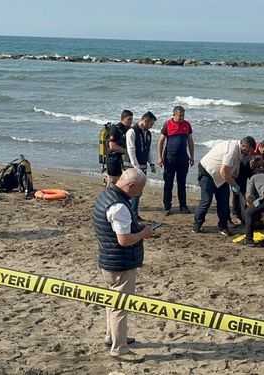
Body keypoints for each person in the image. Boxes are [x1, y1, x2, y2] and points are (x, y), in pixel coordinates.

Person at [93, 168, 154, 363]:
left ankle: (112, 337)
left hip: (107, 259)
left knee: (112, 301)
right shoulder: (119, 207)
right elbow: (124, 240)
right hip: (120, 262)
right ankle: (119, 348)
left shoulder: (106, 195)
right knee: (120, 306)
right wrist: (143, 234)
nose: (140, 194)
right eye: (140, 190)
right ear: (131, 186)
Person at [193, 137, 256, 235]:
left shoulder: (240, 151)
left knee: (223, 202)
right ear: (243, 146)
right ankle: (197, 225)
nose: (248, 154)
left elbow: (234, 167)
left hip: (221, 177)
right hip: (207, 172)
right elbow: (223, 171)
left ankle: (223, 227)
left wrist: (234, 180)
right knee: (206, 200)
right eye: (248, 151)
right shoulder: (231, 149)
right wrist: (234, 185)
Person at [157, 106, 194, 215]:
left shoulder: (187, 125)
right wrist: (159, 157)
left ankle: (183, 205)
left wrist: (192, 156)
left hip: (183, 158)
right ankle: (167, 206)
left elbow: (190, 141)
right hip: (170, 158)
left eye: (183, 115)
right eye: (180, 116)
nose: (182, 117)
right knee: (168, 183)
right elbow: (161, 141)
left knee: (182, 183)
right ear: (174, 115)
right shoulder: (167, 124)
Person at [125, 111, 157, 221]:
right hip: (131, 166)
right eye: (151, 124)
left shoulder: (148, 133)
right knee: (131, 189)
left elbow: (148, 149)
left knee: (138, 191)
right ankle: (130, 214)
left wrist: (152, 163)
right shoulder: (132, 132)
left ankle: (134, 213)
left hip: (143, 166)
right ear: (145, 121)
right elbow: (131, 150)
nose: (151, 126)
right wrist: (136, 167)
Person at [106, 110, 134, 184]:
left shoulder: (129, 129)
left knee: (119, 181)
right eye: (129, 119)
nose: (131, 121)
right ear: (122, 119)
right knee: (113, 181)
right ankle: (108, 195)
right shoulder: (115, 128)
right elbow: (112, 146)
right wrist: (127, 151)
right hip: (113, 158)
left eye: (131, 119)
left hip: (122, 159)